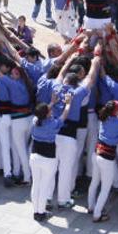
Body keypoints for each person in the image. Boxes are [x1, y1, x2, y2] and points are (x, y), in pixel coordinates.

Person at [30, 93, 74, 221]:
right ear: (48, 114)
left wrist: (51, 102)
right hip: (48, 158)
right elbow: (64, 116)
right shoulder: (52, 124)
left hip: (34, 156)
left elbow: (42, 113)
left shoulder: (35, 120)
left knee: (36, 185)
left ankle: (36, 211)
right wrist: (68, 103)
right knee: (44, 186)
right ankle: (41, 212)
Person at [89, 100, 118, 223]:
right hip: (107, 159)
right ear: (116, 111)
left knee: (94, 182)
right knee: (105, 188)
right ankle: (97, 215)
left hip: (96, 153)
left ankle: (91, 206)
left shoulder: (105, 117)